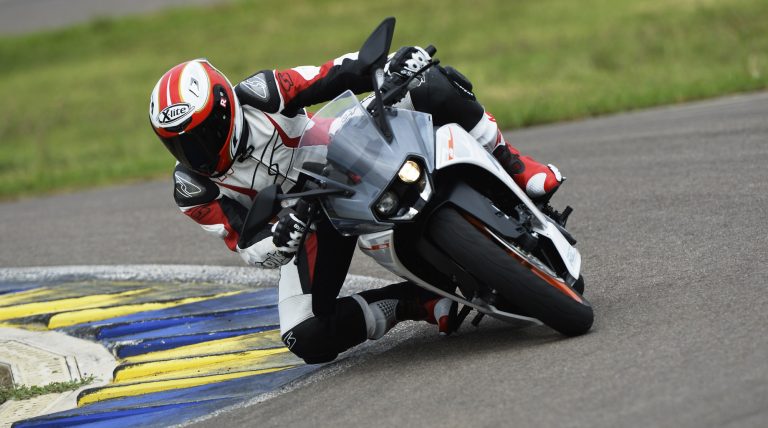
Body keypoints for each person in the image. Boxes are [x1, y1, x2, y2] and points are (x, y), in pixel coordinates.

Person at [148, 46, 563, 363]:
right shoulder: (193, 189)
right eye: (179, 144)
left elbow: (334, 72)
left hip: (349, 151)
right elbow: (245, 243)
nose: (195, 152)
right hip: (308, 219)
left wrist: (387, 65)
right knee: (304, 335)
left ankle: (516, 167)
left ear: (226, 109)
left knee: (428, 81)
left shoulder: (263, 93)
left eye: (201, 135)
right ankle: (413, 301)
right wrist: (279, 237)